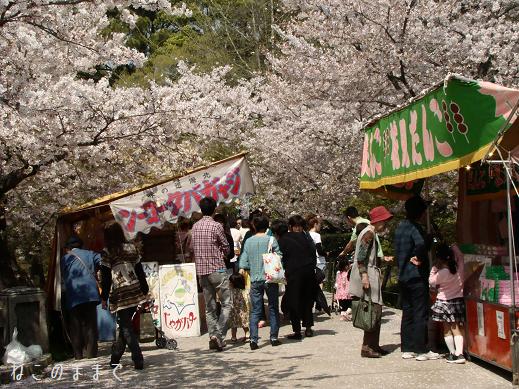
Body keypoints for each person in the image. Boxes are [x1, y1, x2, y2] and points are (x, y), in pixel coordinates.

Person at [394, 195, 438, 361]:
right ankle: (421, 349)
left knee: (408, 311)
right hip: (416, 275)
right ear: (420, 212)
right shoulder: (415, 228)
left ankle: (407, 347)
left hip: (403, 275)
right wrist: (420, 256)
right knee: (420, 311)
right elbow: (420, 245)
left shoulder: (399, 227)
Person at [100, 223, 149, 370]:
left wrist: (103, 297)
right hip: (135, 291)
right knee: (125, 327)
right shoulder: (131, 248)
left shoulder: (107, 252)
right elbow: (139, 270)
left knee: (126, 327)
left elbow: (106, 277)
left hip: (120, 293)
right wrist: (145, 288)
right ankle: (114, 359)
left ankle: (137, 357)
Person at [349, 207, 393, 358]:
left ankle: (373, 345)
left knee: (375, 309)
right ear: (379, 220)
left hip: (369, 272)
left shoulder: (369, 232)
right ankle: (367, 347)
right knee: (373, 310)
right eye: (385, 221)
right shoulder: (369, 233)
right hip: (367, 274)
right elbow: (361, 257)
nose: (386, 224)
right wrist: (364, 276)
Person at [191, 197, 231, 351]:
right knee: (227, 303)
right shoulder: (216, 226)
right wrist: (222, 252)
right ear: (214, 209)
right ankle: (219, 335)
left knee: (210, 307)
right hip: (217, 269)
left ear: (201, 209)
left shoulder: (195, 227)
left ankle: (212, 336)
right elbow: (226, 247)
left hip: (202, 271)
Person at [239, 215, 282, 349]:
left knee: (255, 310)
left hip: (255, 279)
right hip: (270, 278)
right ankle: (274, 337)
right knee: (273, 307)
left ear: (254, 226)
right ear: (267, 225)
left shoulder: (249, 241)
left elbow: (243, 262)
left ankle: (253, 340)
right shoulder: (271, 239)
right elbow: (280, 256)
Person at [272, 215, 317, 339]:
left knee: (294, 300)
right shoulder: (307, 237)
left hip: (293, 273)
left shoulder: (283, 239)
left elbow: (280, 257)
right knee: (307, 299)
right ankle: (308, 328)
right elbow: (314, 253)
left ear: (290, 226)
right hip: (308, 271)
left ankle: (297, 331)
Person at [60, 235, 101, 359]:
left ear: (69, 248)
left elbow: (64, 275)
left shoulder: (64, 259)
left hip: (73, 295)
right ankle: (91, 353)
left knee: (75, 325)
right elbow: (102, 261)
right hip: (90, 294)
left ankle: (78, 354)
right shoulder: (90, 254)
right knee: (90, 324)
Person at [429, 243, 466, 364]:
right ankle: (460, 353)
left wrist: (434, 268)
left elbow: (431, 281)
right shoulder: (458, 269)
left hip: (444, 303)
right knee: (456, 328)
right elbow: (461, 257)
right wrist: (454, 246)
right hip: (457, 302)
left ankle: (452, 353)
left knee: (447, 329)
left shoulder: (442, 273)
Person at [228, 273, 250, 343]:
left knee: (234, 325)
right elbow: (248, 300)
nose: (229, 283)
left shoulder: (231, 291)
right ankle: (247, 335)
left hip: (234, 311)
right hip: (243, 311)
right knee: (244, 323)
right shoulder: (245, 291)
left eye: (230, 282)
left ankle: (234, 337)